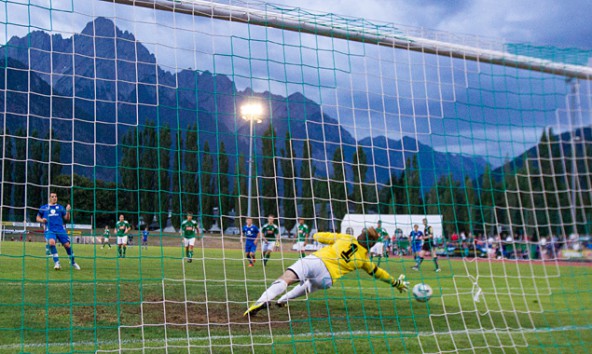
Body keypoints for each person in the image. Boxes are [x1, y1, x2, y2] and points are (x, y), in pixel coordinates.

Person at [244, 227, 409, 317]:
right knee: (309, 286)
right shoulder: (364, 259)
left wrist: (316, 235)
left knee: (288, 277)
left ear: (360, 235)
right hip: (327, 279)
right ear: (371, 245)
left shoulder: (345, 237)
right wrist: (396, 283)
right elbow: (379, 273)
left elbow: (321, 236)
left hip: (317, 261)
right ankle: (283, 299)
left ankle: (261, 301)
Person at [36, 192, 80, 270]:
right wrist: (42, 220)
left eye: (56, 196)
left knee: (67, 245)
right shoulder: (44, 207)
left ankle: (72, 262)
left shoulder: (60, 207)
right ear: (49, 198)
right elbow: (37, 218)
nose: (54, 198)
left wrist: (68, 211)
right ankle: (57, 263)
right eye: (52, 196)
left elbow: (67, 218)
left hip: (60, 229)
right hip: (50, 230)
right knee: (52, 243)